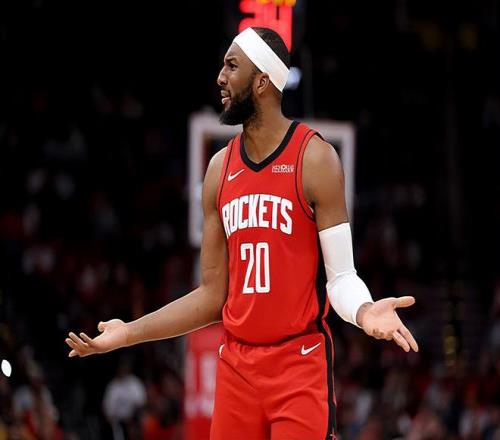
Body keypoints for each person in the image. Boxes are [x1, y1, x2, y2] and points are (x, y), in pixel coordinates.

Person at [65, 27, 419, 439]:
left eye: (232, 66)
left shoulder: (316, 159)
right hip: (237, 368)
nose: (220, 77)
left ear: (262, 81)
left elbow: (341, 278)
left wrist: (364, 310)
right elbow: (211, 296)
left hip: (298, 364)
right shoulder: (219, 170)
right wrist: (128, 332)